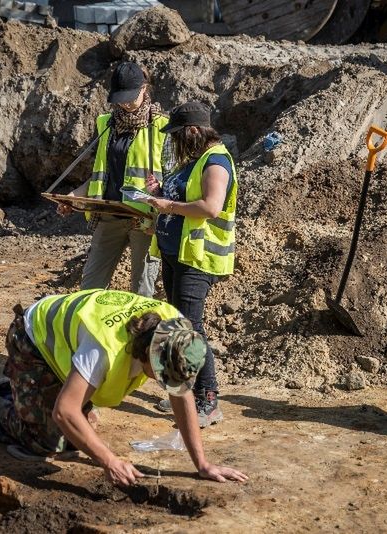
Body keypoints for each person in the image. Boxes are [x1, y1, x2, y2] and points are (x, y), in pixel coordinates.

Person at [0, 289, 247, 486]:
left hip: (69, 351)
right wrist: (109, 461)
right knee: (50, 443)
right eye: (161, 376)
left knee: (82, 430)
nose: (163, 384)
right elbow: (65, 412)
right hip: (32, 340)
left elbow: (182, 396)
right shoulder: (103, 349)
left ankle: (26, 396)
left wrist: (203, 464)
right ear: (146, 354)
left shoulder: (176, 331)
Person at [143, 102, 237, 428]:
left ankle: (207, 400)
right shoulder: (194, 160)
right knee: (182, 327)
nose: (174, 143)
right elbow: (182, 196)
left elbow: (211, 207)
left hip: (196, 260)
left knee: (191, 330)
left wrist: (166, 203)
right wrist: (159, 192)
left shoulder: (217, 161)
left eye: (177, 136)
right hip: (176, 253)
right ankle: (186, 394)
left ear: (193, 131)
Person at [58, 61, 172, 297]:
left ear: (144, 88)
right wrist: (73, 197)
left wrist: (161, 205)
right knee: (89, 289)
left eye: (130, 97)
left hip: (144, 221)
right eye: (120, 98)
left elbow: (173, 181)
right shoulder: (106, 124)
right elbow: (101, 176)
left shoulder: (162, 127)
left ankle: (138, 335)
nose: (124, 104)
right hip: (108, 216)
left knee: (141, 293)